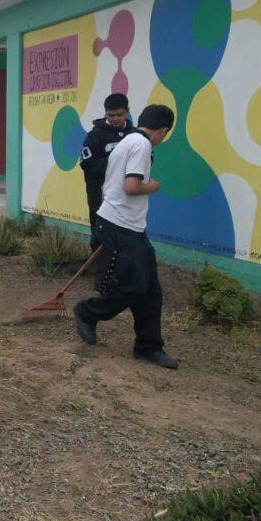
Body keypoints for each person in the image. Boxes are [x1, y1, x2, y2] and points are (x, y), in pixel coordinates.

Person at [74, 104, 179, 370]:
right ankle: (88, 311)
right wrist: (153, 186)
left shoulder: (127, 140)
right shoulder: (142, 145)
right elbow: (131, 186)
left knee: (151, 290)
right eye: (164, 134)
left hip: (130, 225)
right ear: (163, 130)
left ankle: (148, 346)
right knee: (133, 286)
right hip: (119, 225)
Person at [80, 93, 137, 237]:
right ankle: (100, 259)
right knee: (101, 233)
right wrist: (119, 163)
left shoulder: (134, 134)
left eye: (119, 114)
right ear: (105, 113)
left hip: (127, 195)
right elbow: (87, 163)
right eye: (111, 115)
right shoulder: (94, 136)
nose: (115, 119)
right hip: (100, 196)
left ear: (127, 110)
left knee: (126, 234)